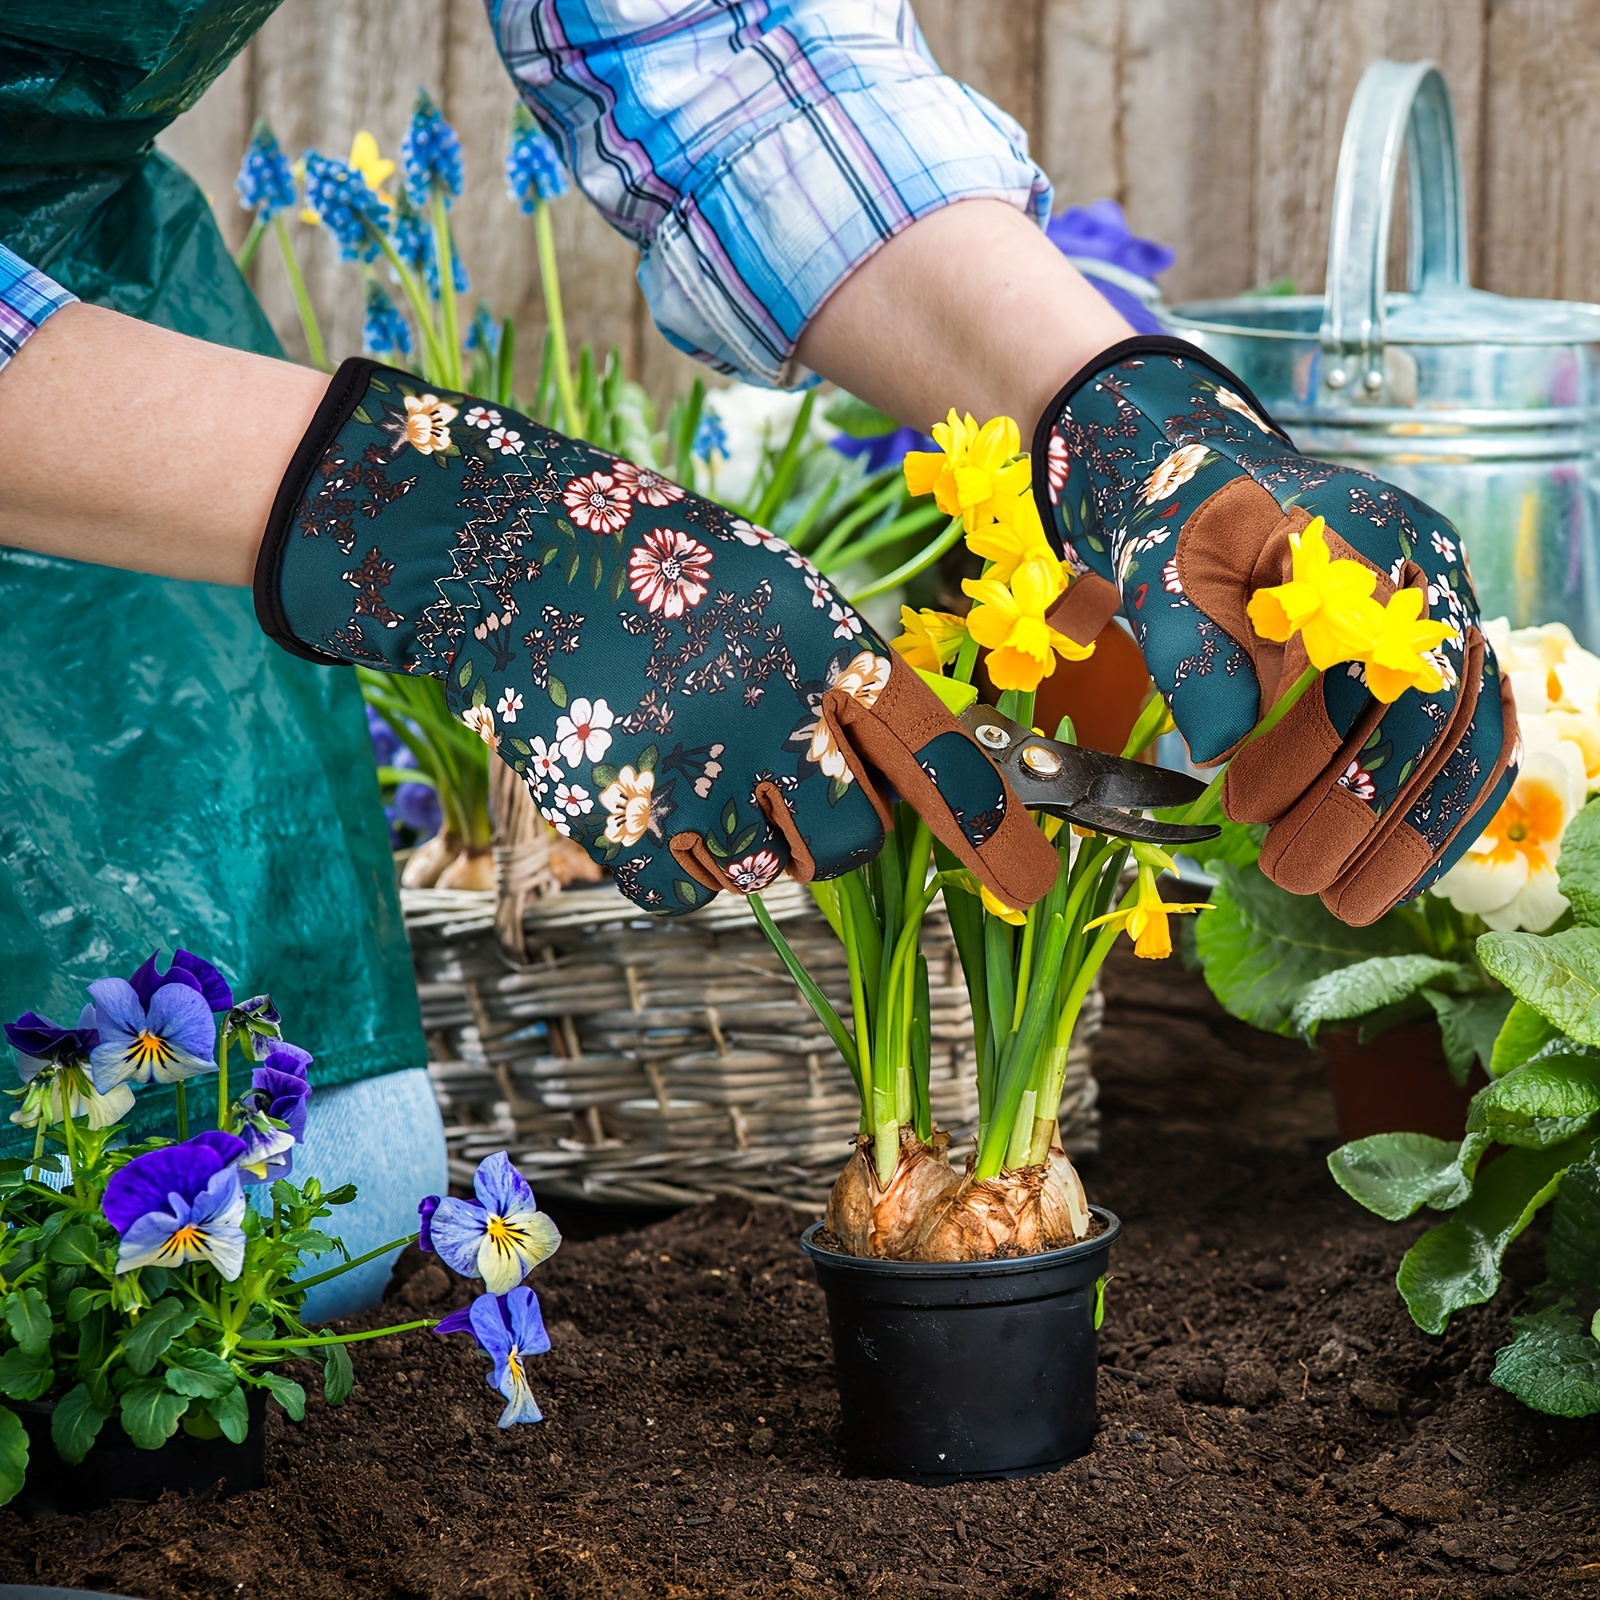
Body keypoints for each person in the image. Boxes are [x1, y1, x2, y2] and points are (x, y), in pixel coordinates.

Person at [0, 3, 1513, 1304]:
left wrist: (1129, 419)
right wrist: (440, 525)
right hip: (122, 431)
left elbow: (732, 41)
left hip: (112, 358)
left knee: (306, 1212)